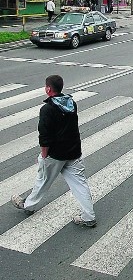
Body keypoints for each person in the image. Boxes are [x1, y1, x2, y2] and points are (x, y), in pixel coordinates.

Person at [11, 75, 96, 228]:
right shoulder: (71, 103)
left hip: (56, 155)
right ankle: (89, 217)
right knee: (80, 185)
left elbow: (45, 136)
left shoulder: (47, 109)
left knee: (42, 180)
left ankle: (28, 206)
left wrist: (44, 156)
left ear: (48, 89)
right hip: (74, 151)